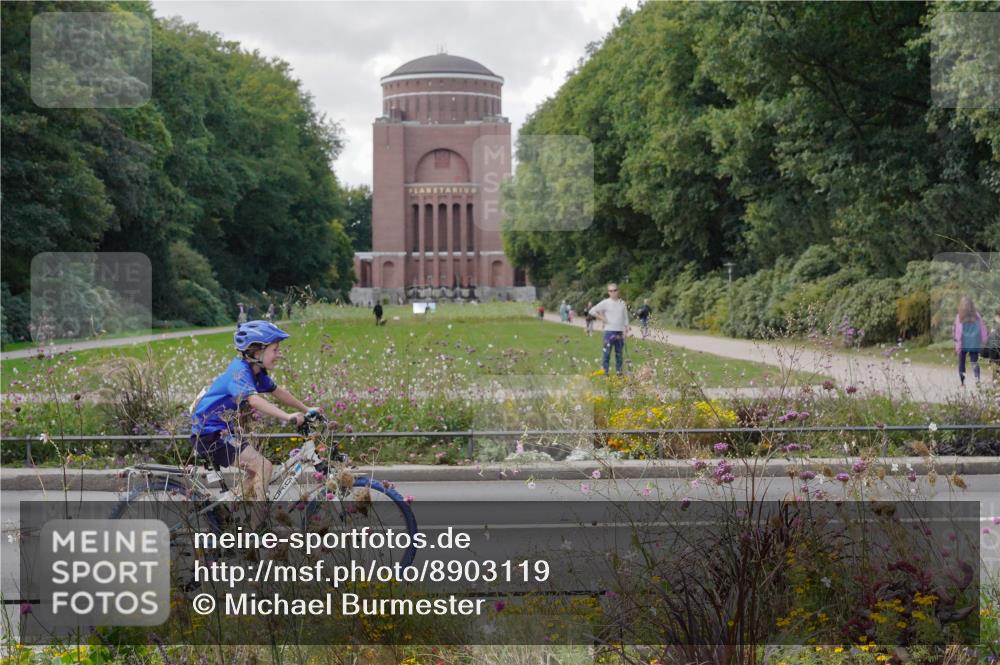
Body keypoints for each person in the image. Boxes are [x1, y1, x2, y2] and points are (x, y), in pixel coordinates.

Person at [190, 321, 315, 517]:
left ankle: (231, 518)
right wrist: (288, 416)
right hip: (210, 434)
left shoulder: (256, 372)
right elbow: (254, 400)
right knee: (263, 466)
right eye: (275, 349)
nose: (279, 354)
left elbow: (277, 391)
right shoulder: (239, 372)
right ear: (257, 352)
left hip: (222, 431)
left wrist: (307, 409)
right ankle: (259, 525)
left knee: (254, 472)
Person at [589, 283, 629, 375]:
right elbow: (592, 311)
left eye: (615, 290)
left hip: (619, 332)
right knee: (606, 354)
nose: (613, 292)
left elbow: (625, 317)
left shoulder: (622, 303)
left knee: (619, 354)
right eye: (611, 291)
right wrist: (602, 318)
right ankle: (604, 373)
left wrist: (626, 329)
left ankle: (619, 374)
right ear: (608, 292)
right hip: (609, 332)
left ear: (618, 291)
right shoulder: (605, 303)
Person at [954, 296, 988, 387]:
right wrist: (984, 340)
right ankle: (977, 380)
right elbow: (983, 328)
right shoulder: (976, 315)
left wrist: (957, 346)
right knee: (974, 362)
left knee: (961, 363)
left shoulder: (959, 316)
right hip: (974, 343)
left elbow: (957, 332)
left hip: (963, 344)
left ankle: (962, 382)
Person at [984, 308, 1000, 385]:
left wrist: (986, 355)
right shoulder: (994, 328)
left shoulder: (994, 328)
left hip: (994, 354)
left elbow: (989, 342)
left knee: (995, 374)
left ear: (997, 317)